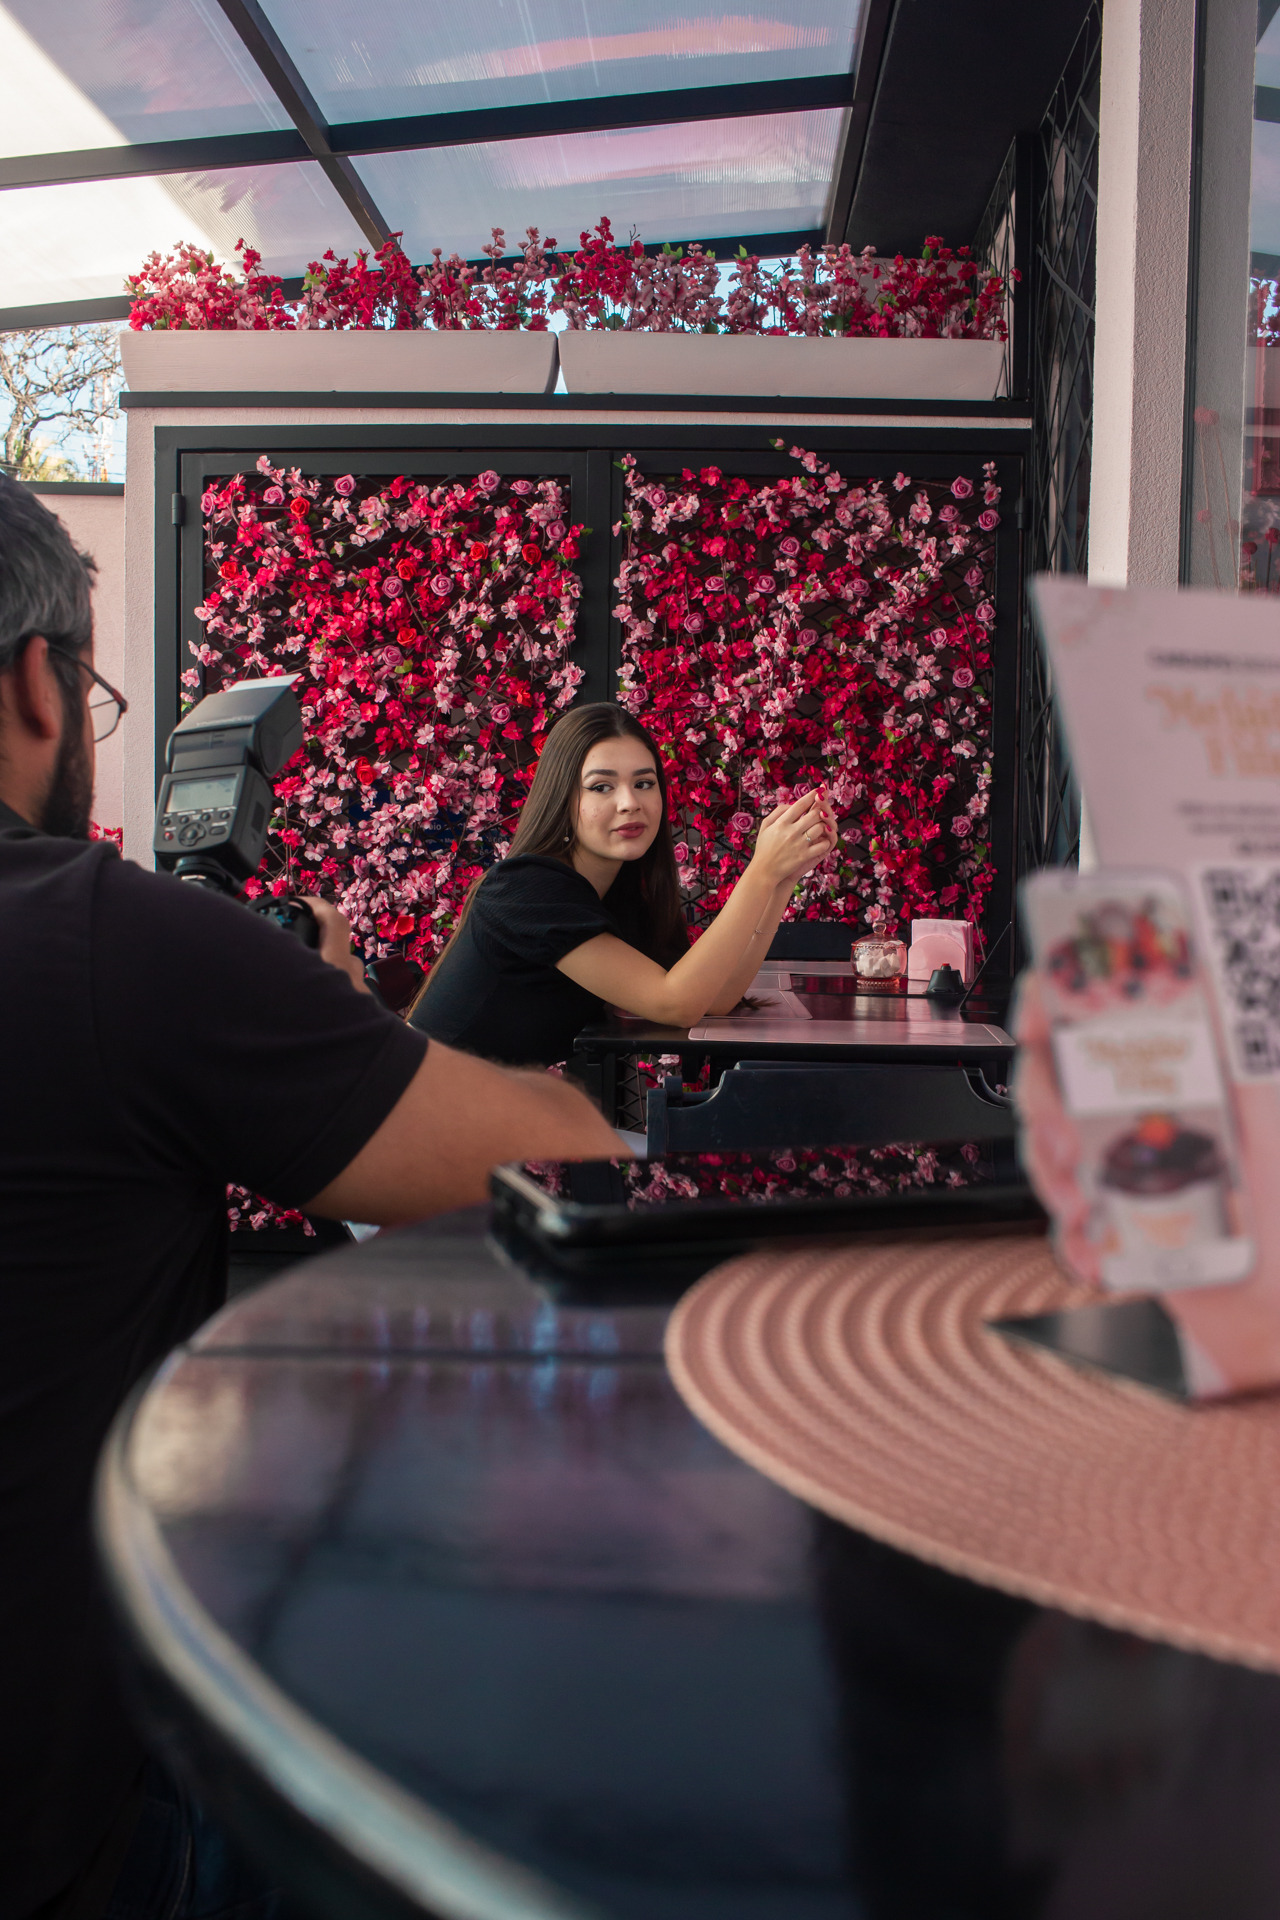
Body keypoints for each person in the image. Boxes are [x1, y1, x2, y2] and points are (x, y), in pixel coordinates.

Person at [0, 478, 622, 1920]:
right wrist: (333, 1016)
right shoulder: (114, 947)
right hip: (72, 1830)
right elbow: (568, 1154)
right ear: (38, 681)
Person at [410, 702, 838, 1066]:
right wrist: (760, 872)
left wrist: (781, 881)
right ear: (563, 798)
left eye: (644, 783)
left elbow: (714, 999)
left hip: (485, 1112)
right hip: (422, 1117)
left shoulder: (612, 894)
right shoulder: (527, 888)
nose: (630, 802)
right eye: (601, 787)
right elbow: (678, 1003)